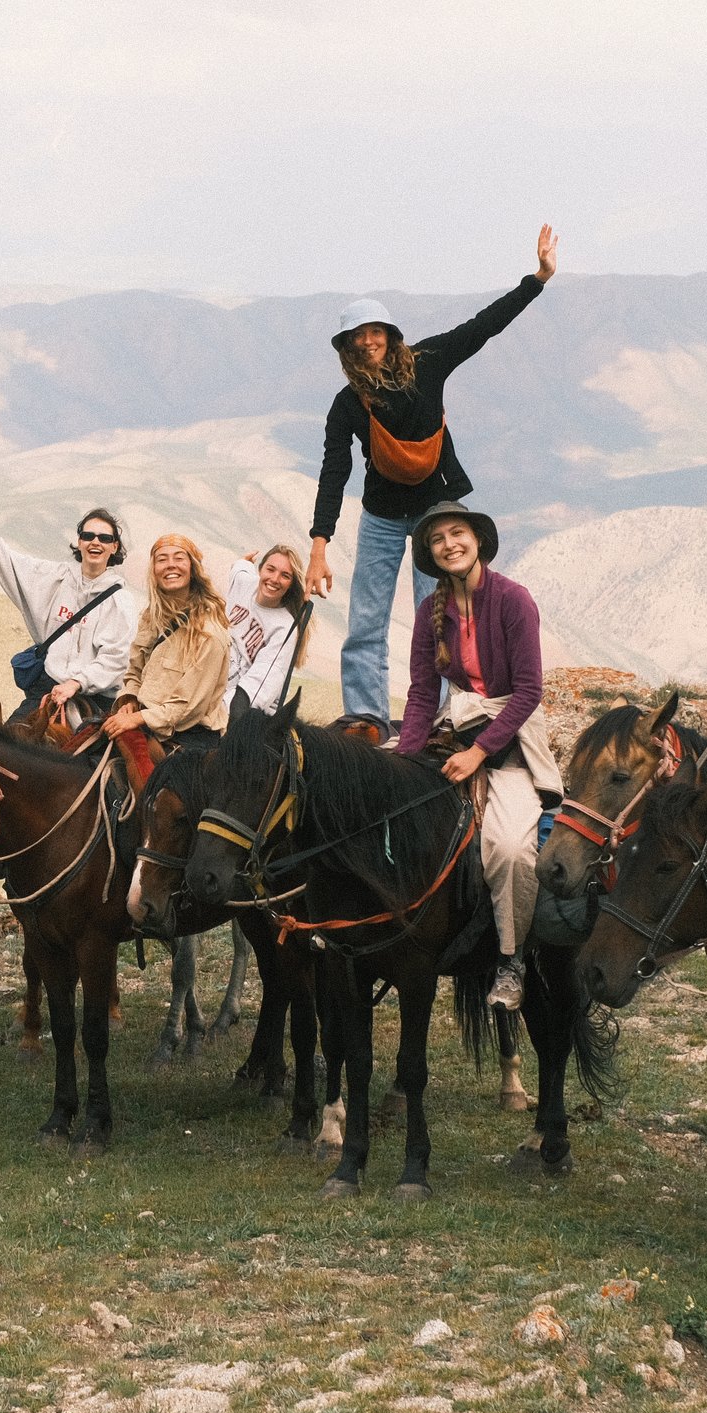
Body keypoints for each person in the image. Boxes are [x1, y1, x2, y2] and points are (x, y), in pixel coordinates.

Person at [307, 226, 558, 725]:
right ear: (347, 347)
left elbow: (482, 327)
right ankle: (366, 720)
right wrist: (319, 544)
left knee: (440, 619)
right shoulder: (347, 402)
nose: (368, 341)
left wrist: (538, 279)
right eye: (358, 336)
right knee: (365, 622)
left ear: (390, 334)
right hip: (380, 515)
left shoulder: (427, 364)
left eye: (375, 331)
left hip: (435, 512)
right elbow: (334, 470)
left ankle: (441, 718)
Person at [389, 501, 561, 1011]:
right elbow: (423, 694)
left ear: (478, 540)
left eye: (457, 533)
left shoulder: (513, 599)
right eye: (437, 539)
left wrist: (479, 754)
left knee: (510, 847)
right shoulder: (430, 611)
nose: (450, 545)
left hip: (512, 735)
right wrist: (404, 762)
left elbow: (529, 691)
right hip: (456, 723)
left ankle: (511, 959)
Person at [0, 472, 134, 727]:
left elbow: (115, 659)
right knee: (9, 741)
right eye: (88, 536)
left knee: (100, 751)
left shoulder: (120, 602)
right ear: (79, 541)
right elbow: (5, 559)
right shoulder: (54, 578)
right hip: (46, 691)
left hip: (93, 699)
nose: (96, 542)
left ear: (114, 547)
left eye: (105, 538)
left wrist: (77, 683)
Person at [101, 535, 230, 775]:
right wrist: (130, 700)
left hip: (187, 738)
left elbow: (187, 708)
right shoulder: (151, 617)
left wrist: (138, 719)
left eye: (179, 558)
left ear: (193, 568)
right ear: (154, 570)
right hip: (145, 721)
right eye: (162, 559)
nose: (170, 565)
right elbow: (135, 670)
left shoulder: (209, 634)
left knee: (150, 792)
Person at [223, 545, 311, 715]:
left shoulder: (284, 629)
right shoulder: (245, 584)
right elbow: (239, 568)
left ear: (291, 584)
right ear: (260, 569)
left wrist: (217, 714)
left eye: (285, 576)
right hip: (216, 688)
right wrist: (244, 562)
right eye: (270, 569)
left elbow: (257, 689)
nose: (275, 579)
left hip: (244, 710)